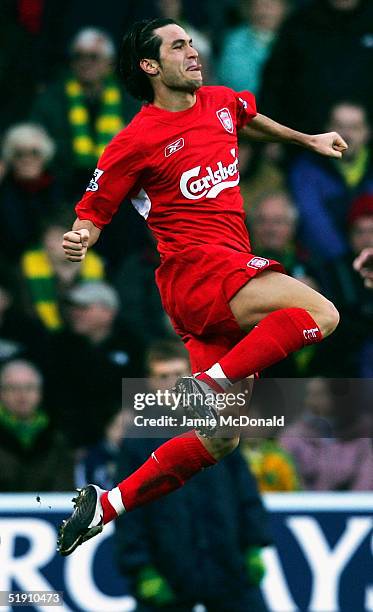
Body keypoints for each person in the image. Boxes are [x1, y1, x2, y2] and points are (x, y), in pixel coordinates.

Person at [57, 17, 347, 556]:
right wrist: (79, 239)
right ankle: (212, 381)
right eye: (178, 46)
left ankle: (108, 504)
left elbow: (247, 118)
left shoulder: (217, 101)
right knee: (323, 313)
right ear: (150, 66)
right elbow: (93, 212)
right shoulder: (135, 140)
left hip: (214, 290)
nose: (192, 51)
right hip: (199, 271)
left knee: (221, 438)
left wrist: (306, 139)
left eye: (192, 42)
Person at [115, 339, 271, 611]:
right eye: (163, 376)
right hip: (168, 570)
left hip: (227, 565)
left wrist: (254, 545)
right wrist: (142, 569)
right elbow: (129, 510)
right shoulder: (136, 441)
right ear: (150, 383)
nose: (172, 384)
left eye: (178, 375)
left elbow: (245, 492)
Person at [31, 27, 139, 195]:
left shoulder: (130, 102)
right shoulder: (52, 98)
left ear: (109, 63)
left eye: (93, 57)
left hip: (116, 190)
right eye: (78, 56)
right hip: (62, 186)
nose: (85, 62)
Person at [289, 101, 373, 263]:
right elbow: (313, 221)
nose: (346, 134)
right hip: (325, 266)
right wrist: (345, 259)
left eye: (355, 127)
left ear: (368, 132)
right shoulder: (307, 168)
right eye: (340, 126)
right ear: (327, 129)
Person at [0, 359, 74, 492]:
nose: (22, 395)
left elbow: (64, 488)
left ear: (40, 392)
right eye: (13, 388)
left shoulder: (57, 436)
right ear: (1, 393)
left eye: (29, 388)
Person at [0, 123, 62, 263]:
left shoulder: (59, 187)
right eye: (19, 154)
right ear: (10, 158)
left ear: (45, 156)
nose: (27, 159)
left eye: (34, 153)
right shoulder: (4, 188)